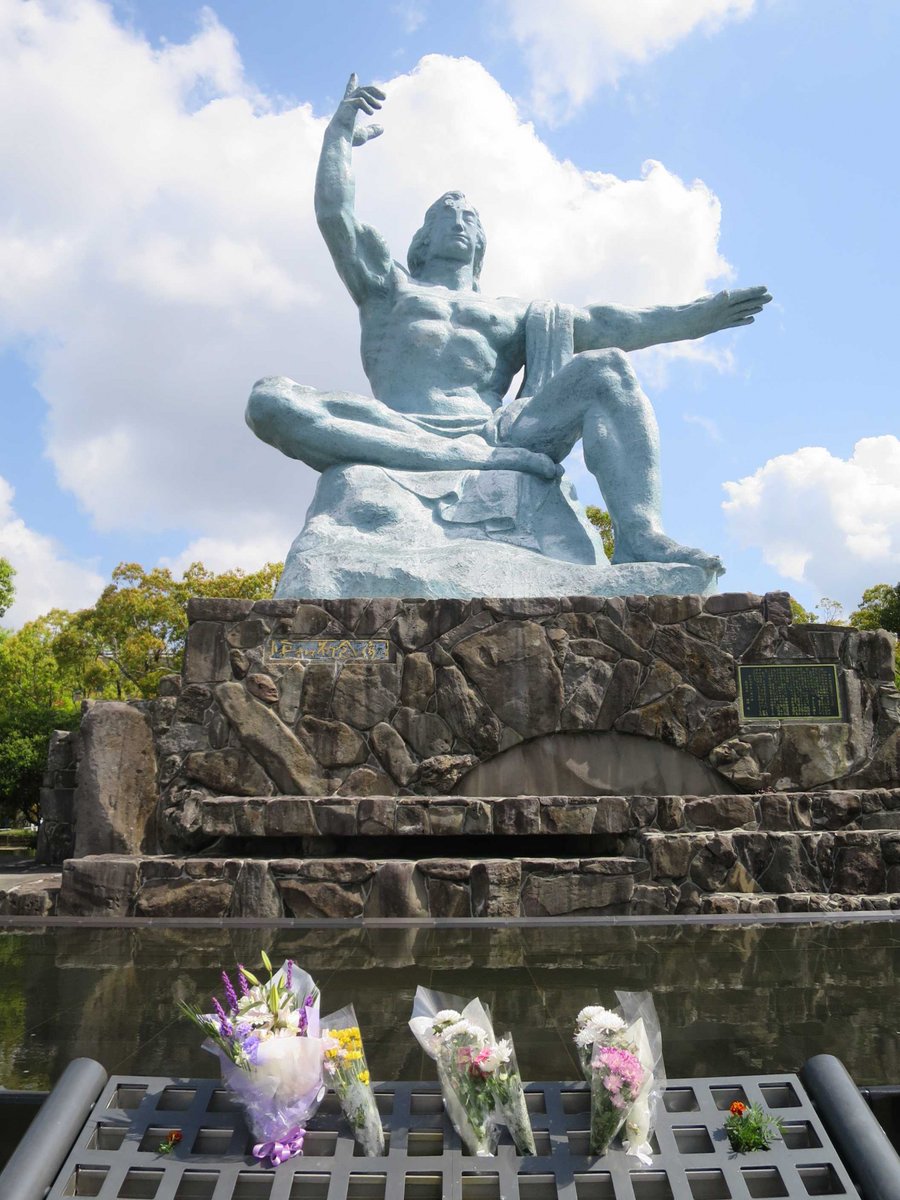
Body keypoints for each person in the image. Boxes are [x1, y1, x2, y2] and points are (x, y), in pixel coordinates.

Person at [247, 75, 771, 570]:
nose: (458, 221)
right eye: (443, 216)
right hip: (398, 424)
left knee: (607, 368)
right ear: (421, 239)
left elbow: (610, 323)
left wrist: (695, 319)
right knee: (269, 400)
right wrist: (338, 137)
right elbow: (335, 215)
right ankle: (454, 458)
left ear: (481, 243)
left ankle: (640, 534)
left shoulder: (514, 312)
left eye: (469, 218)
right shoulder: (389, 288)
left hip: (497, 431)